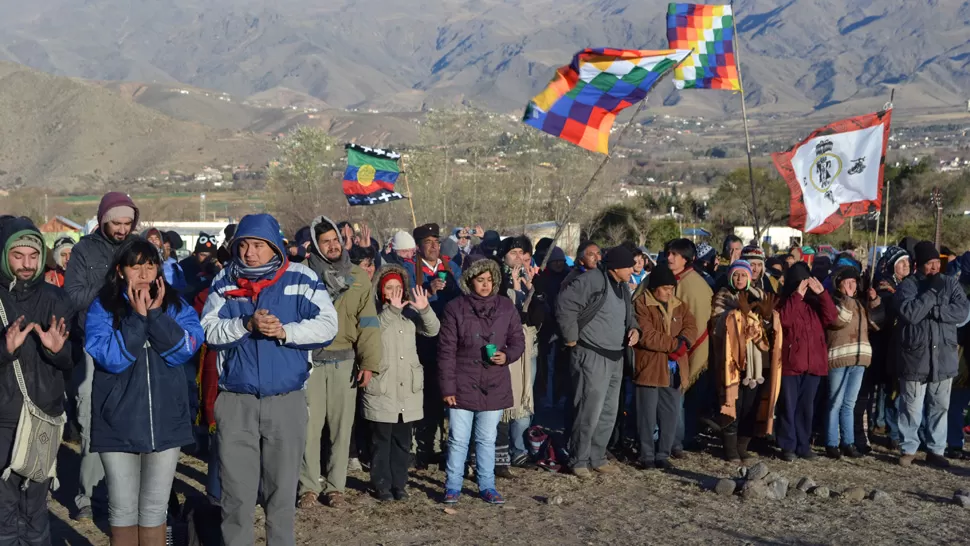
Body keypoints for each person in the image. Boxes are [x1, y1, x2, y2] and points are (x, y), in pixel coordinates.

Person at [201, 213, 339, 545]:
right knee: (236, 498)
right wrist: (245, 325)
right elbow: (207, 329)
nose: (249, 252)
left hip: (285, 401)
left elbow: (327, 324)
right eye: (243, 245)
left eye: (258, 245)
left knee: (281, 497)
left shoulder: (300, 278)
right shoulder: (224, 281)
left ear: (275, 247)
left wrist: (286, 331)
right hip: (237, 401)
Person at [85, 238, 203, 544]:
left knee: (154, 509)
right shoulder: (102, 307)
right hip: (117, 421)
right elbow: (111, 358)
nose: (143, 273)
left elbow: (184, 350)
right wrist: (137, 320)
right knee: (123, 509)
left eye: (149, 265)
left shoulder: (176, 305)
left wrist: (156, 316)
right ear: (121, 270)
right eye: (135, 265)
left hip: (166, 420)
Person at [64, 191, 139, 521]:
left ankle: (128, 493)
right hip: (93, 345)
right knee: (91, 415)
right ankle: (88, 495)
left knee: (132, 416)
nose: (122, 230)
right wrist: (110, 288)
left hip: (133, 342)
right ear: (102, 219)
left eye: (127, 223)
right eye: (116, 223)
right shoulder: (84, 251)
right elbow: (72, 296)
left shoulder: (138, 249)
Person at [298, 216, 381, 510]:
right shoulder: (304, 274)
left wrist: (368, 362)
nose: (332, 246)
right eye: (325, 242)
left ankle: (335, 486)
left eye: (335, 240)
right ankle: (307, 485)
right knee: (309, 427)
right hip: (310, 361)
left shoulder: (358, 276)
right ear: (316, 246)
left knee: (341, 428)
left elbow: (368, 322)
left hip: (345, 360)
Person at [0, 217, 74, 545]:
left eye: (33, 255)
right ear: (4, 255)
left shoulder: (57, 299)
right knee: (4, 509)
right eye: (18, 255)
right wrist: (4, 349)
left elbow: (72, 360)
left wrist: (59, 352)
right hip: (3, 420)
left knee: (36, 506)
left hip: (44, 417)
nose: (27, 264)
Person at [438, 259, 524, 505]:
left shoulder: (506, 307)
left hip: (494, 382)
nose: (485, 285)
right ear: (470, 281)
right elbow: (446, 351)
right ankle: (452, 486)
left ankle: (487, 485)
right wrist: (448, 387)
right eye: (480, 280)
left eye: (489, 280)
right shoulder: (455, 308)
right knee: (458, 438)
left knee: (487, 438)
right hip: (462, 382)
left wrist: (507, 355)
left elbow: (518, 340)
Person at [557, 246, 639, 477]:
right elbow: (565, 304)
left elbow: (628, 315)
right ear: (616, 267)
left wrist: (634, 330)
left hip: (616, 356)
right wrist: (571, 338)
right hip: (591, 354)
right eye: (629, 265)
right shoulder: (592, 280)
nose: (633, 269)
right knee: (587, 411)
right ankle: (579, 459)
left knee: (608, 412)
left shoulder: (622, 286)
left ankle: (597, 456)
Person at [364, 265, 438, 501]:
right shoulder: (374, 313)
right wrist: (391, 312)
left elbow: (433, 329)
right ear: (381, 290)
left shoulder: (410, 316)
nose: (394, 292)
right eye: (389, 287)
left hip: (407, 389)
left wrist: (424, 309)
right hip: (383, 388)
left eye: (398, 287)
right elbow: (372, 333)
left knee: (403, 441)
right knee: (381, 441)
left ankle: (400, 484)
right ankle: (382, 484)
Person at [893, 241, 969, 468]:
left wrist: (937, 310)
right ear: (919, 265)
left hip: (944, 356)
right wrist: (930, 295)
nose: (935, 268)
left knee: (940, 406)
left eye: (937, 263)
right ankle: (909, 448)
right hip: (915, 356)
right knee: (911, 407)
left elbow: (963, 311)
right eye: (930, 264)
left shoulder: (950, 284)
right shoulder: (908, 286)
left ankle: (936, 449)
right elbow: (911, 313)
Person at [711, 260, 782, 465]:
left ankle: (743, 445)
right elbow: (718, 325)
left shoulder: (759, 295)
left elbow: (769, 332)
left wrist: (767, 318)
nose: (740, 279)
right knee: (733, 402)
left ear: (750, 277)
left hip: (757, 363)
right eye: (736, 275)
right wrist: (739, 315)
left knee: (751, 406)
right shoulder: (723, 297)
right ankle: (730, 448)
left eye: (743, 275)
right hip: (731, 362)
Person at [405, 223, 462, 469]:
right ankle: (423, 446)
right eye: (428, 242)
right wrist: (427, 291)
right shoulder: (409, 270)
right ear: (418, 247)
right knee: (424, 394)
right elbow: (404, 304)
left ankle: (443, 446)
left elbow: (464, 299)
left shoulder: (452, 268)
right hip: (421, 339)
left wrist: (452, 289)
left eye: (436, 242)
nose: (434, 246)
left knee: (446, 393)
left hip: (449, 340)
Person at [632, 264, 696, 470]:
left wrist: (685, 341)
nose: (669, 292)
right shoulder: (641, 304)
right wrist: (675, 344)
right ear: (654, 287)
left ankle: (663, 453)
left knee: (670, 412)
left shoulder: (680, 305)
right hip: (649, 366)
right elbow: (647, 335)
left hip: (674, 367)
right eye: (665, 288)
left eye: (671, 287)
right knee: (646, 414)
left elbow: (691, 326)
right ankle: (646, 455)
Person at [777, 262, 838, 461]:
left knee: (806, 408)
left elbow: (832, 318)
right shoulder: (786, 302)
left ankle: (804, 446)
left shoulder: (816, 305)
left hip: (814, 365)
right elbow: (784, 320)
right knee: (789, 406)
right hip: (792, 364)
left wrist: (822, 294)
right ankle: (787, 445)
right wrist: (797, 296)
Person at [824, 265, 884, 460]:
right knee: (835, 402)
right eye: (847, 282)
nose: (851, 285)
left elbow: (876, 324)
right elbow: (839, 321)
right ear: (838, 284)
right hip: (839, 358)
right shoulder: (833, 302)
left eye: (854, 282)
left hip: (860, 358)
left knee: (849, 403)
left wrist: (874, 301)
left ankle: (848, 442)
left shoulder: (859, 304)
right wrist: (849, 299)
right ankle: (832, 442)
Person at [660, 239, 712, 455]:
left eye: (675, 254)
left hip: (684, 349)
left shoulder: (697, 284)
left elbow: (702, 320)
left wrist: (683, 345)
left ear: (687, 258)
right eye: (668, 253)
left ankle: (676, 441)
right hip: (659, 347)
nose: (670, 257)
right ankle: (664, 439)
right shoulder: (660, 276)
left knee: (679, 397)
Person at [495, 235, 538, 472]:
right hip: (505, 348)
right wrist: (512, 287)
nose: (519, 258)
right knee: (505, 401)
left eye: (522, 254)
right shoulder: (497, 279)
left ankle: (520, 449)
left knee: (524, 398)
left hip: (529, 349)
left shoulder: (530, 278)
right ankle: (501, 449)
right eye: (514, 253)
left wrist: (531, 289)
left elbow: (539, 315)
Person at [179, 232, 220, 302]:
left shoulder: (218, 269)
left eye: (211, 256)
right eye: (203, 255)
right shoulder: (185, 266)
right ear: (195, 254)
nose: (207, 259)